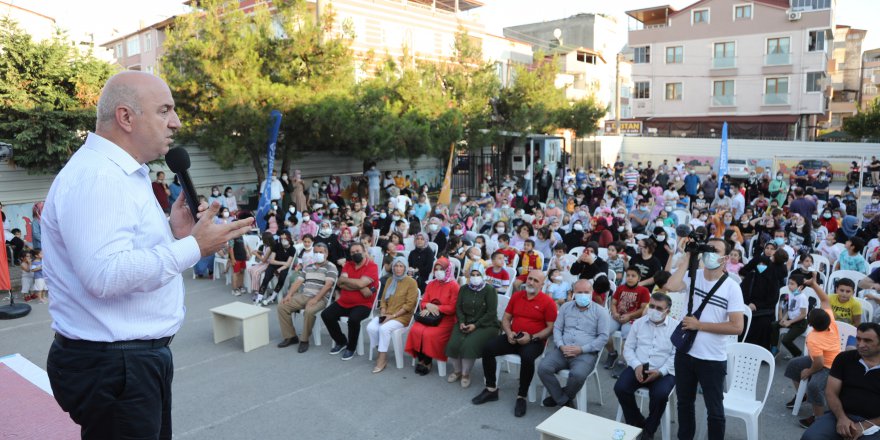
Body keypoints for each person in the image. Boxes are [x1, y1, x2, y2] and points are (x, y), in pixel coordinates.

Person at [43, 71, 253, 439]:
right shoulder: (99, 178)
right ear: (126, 117)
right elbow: (104, 275)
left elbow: (125, 250)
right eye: (164, 111)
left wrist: (174, 232)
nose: (177, 122)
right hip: (115, 366)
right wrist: (194, 247)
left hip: (127, 363)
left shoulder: (123, 173)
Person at [665, 238, 745, 440]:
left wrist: (700, 325)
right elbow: (671, 286)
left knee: (715, 410)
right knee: (684, 403)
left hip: (712, 359)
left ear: (725, 258)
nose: (709, 253)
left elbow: (737, 327)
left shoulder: (732, 287)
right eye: (707, 249)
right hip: (685, 353)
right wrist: (688, 257)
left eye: (714, 250)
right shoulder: (694, 276)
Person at [472, 270, 557, 418]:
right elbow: (506, 319)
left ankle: (521, 396)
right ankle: (491, 389)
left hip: (534, 340)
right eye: (530, 279)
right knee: (488, 348)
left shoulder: (548, 302)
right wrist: (509, 332)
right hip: (514, 336)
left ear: (542, 284)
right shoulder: (517, 296)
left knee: (527, 357)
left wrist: (531, 337)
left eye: (536, 281)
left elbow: (550, 328)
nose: (531, 282)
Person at [614, 293, 679, 440]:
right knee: (621, 388)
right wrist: (636, 365)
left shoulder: (676, 327)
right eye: (652, 306)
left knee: (660, 395)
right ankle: (637, 421)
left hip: (664, 371)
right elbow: (628, 348)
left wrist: (660, 372)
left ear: (667, 311)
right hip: (639, 366)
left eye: (659, 308)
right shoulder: (639, 323)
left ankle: (649, 430)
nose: (654, 310)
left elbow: (676, 355)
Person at [800, 322, 880, 440]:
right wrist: (841, 418)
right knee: (810, 437)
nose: (860, 344)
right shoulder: (845, 358)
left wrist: (864, 426)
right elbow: (831, 392)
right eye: (858, 339)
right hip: (840, 415)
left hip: (875, 423)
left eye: (867, 341)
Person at [538, 279, 610, 409]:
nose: (583, 295)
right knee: (543, 368)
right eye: (579, 292)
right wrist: (561, 345)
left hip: (585, 354)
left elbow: (603, 337)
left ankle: (560, 396)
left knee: (577, 375)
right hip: (562, 350)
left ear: (592, 292)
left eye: (586, 292)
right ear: (573, 293)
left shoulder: (600, 312)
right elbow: (557, 329)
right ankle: (563, 400)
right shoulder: (566, 307)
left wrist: (581, 349)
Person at [784, 275, 841, 429]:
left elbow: (819, 363)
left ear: (810, 323)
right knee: (793, 365)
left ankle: (818, 419)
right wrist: (814, 285)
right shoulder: (830, 320)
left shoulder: (814, 338)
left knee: (814, 386)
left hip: (830, 366)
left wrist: (808, 372)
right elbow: (825, 300)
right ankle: (801, 396)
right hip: (819, 359)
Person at [276, 242, 338, 353]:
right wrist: (289, 295)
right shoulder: (308, 267)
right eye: (316, 252)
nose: (318, 254)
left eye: (321, 252)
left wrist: (316, 299)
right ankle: (291, 337)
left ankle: (304, 340)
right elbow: (298, 282)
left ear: (326, 254)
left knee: (309, 311)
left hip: (321, 298)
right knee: (282, 306)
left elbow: (328, 285)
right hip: (304, 295)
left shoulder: (331, 267)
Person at [321, 242, 379, 360]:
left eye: (358, 251)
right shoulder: (348, 264)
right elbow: (340, 283)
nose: (355, 254)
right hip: (344, 302)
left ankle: (351, 348)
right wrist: (359, 285)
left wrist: (351, 282)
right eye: (352, 252)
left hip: (363, 304)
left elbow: (351, 282)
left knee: (353, 320)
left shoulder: (372, 266)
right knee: (326, 315)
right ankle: (341, 341)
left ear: (364, 252)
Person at [446, 263, 500, 388]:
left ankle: (465, 374)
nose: (475, 277)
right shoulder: (464, 288)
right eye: (473, 274)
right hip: (465, 322)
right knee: (453, 343)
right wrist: (461, 321)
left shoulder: (490, 290)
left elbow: (491, 313)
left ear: (483, 275)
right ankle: (457, 371)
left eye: (478, 274)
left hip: (486, 324)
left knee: (469, 344)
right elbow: (458, 307)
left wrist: (476, 325)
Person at [405, 257, 460, 375]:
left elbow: (453, 308)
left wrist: (437, 308)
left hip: (446, 319)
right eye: (436, 269)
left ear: (448, 270)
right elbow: (423, 302)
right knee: (416, 330)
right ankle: (421, 359)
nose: (438, 271)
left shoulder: (454, 286)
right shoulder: (431, 284)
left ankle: (427, 361)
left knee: (430, 334)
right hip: (429, 317)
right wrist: (428, 305)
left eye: (442, 269)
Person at [366, 256, 418, 373]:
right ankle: (381, 349)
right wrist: (384, 312)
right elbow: (383, 299)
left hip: (402, 316)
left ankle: (382, 358)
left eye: (401, 266)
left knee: (383, 329)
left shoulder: (411, 282)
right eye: (396, 265)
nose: (398, 269)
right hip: (388, 313)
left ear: (405, 267)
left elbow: (409, 305)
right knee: (371, 328)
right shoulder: (390, 280)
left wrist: (392, 316)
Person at [604, 268, 651, 371]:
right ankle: (612, 353)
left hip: (632, 319)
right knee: (603, 333)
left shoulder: (644, 291)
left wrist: (629, 316)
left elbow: (643, 309)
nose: (630, 278)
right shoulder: (621, 288)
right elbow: (614, 303)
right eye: (628, 275)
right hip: (617, 317)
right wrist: (615, 313)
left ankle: (622, 361)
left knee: (628, 339)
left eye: (633, 276)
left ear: (639, 278)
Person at [771, 273, 810, 358]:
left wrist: (789, 322)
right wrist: (784, 319)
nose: (789, 286)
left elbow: (803, 314)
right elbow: (790, 310)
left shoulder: (802, 297)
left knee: (786, 340)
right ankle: (774, 348)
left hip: (800, 323)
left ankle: (797, 354)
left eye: (792, 284)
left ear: (800, 287)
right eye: (789, 283)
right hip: (791, 320)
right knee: (774, 325)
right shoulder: (792, 294)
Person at [256, 232, 296, 305]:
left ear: (289, 239)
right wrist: (283, 263)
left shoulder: (292, 249)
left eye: (285, 238)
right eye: (282, 238)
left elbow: (288, 264)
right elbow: (271, 260)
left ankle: (273, 297)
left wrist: (280, 269)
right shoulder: (276, 246)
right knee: (266, 278)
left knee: (282, 278)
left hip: (283, 268)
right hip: (273, 265)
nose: (283, 240)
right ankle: (259, 298)